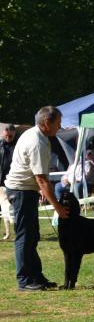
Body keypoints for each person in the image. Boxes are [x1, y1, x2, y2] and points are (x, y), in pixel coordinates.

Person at [5, 106, 69, 291]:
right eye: (58, 123)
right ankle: (25, 280)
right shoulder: (37, 142)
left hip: (26, 188)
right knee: (25, 236)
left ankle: (36, 276)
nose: (60, 126)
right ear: (46, 123)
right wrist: (57, 207)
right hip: (21, 191)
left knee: (32, 236)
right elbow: (41, 178)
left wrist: (40, 188)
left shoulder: (37, 134)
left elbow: (39, 176)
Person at [0, 124, 17, 239]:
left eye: (10, 136)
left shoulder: (18, 146)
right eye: (6, 136)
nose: (8, 138)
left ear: (14, 134)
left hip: (12, 182)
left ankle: (18, 231)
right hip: (0, 181)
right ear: (2, 134)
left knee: (13, 209)